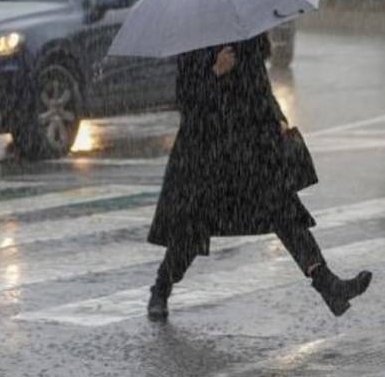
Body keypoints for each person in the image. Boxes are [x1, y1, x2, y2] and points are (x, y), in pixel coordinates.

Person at [146, 33, 371, 320]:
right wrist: (216, 73)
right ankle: (161, 289)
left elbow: (260, 86)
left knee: (285, 214)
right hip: (205, 156)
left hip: (250, 150)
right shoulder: (194, 41)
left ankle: (329, 286)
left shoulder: (245, 35)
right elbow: (187, 104)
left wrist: (277, 116)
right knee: (191, 230)